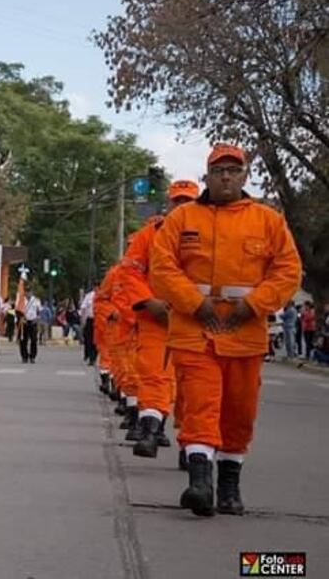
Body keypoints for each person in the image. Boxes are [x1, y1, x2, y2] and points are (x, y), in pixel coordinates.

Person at [151, 143, 301, 517]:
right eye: (219, 171)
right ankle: (200, 483)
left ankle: (229, 486)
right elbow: (162, 267)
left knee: (239, 412)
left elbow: (288, 272)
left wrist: (252, 306)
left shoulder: (267, 221)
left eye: (234, 170)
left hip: (244, 333)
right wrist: (193, 303)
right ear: (208, 176)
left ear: (245, 176)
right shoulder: (182, 218)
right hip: (194, 329)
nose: (226, 176)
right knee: (200, 405)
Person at [119, 179, 199, 459]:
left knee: (192, 386)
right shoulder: (148, 235)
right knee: (153, 375)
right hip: (155, 318)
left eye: (188, 201)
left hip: (195, 321)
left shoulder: (210, 234)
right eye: (178, 201)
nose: (182, 206)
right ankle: (151, 430)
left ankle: (192, 446)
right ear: (169, 203)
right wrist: (148, 302)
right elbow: (130, 271)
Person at [20, 287, 41, 364]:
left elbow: (39, 311)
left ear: (32, 292)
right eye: (27, 291)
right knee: (23, 340)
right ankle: (24, 356)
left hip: (33, 321)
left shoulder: (36, 301)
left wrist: (37, 318)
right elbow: (18, 311)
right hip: (24, 322)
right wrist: (21, 318)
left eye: (29, 292)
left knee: (34, 339)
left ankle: (32, 356)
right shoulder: (21, 300)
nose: (28, 293)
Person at [80, 288, 97, 365]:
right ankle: (90, 356)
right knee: (89, 339)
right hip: (90, 319)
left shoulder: (104, 295)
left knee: (96, 340)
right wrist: (83, 320)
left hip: (99, 320)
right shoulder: (89, 296)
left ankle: (94, 356)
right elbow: (83, 308)